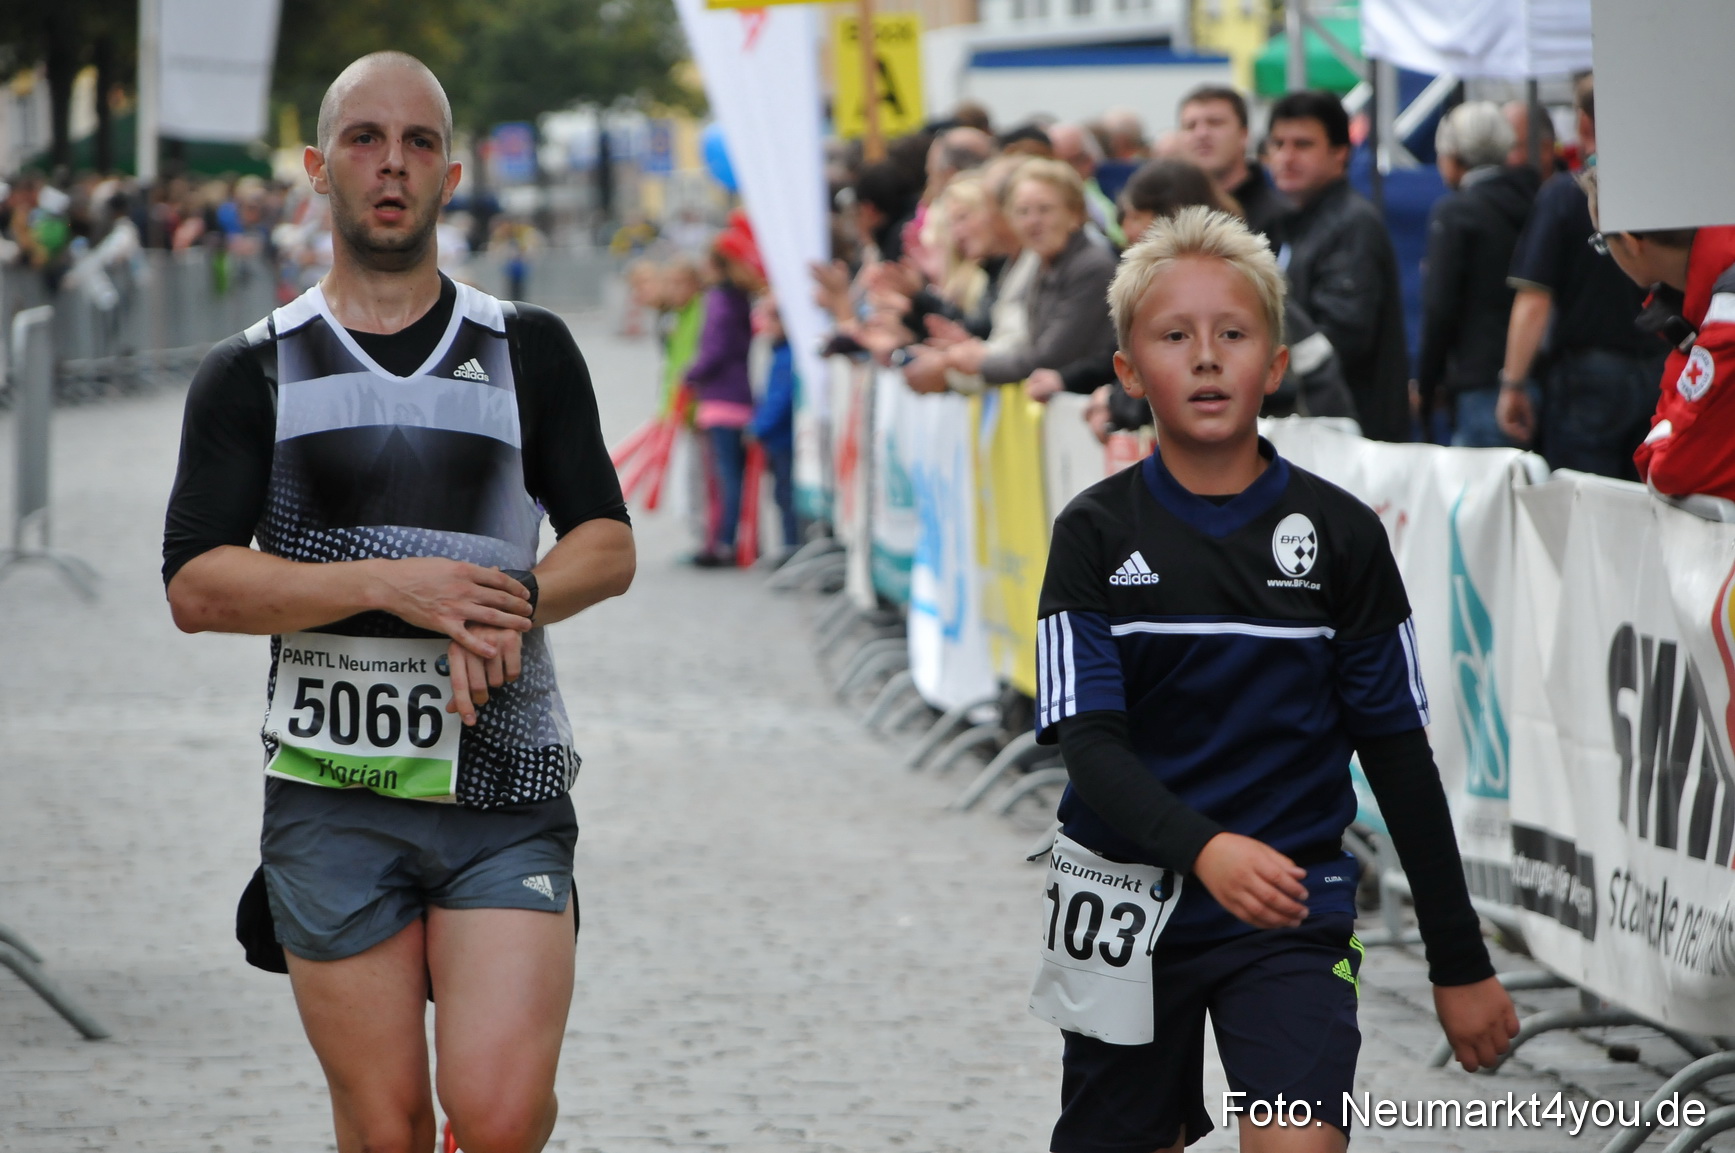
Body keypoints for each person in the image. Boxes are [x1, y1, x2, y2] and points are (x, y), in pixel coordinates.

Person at [161, 51, 636, 1153]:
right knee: (386, 1131)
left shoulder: (528, 349)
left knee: (502, 1114)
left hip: (504, 777)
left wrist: (503, 602)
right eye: (366, 141)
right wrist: (391, 587)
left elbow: (606, 546)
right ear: (318, 169)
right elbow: (196, 583)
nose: (392, 164)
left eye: (418, 143)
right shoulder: (254, 372)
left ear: (451, 173)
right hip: (333, 791)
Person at [1031, 205, 1518, 1153]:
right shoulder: (1090, 533)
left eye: (1233, 334)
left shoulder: (1341, 535)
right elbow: (1089, 746)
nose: (1206, 357)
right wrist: (1205, 847)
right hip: (1124, 903)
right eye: (1174, 337)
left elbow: (1397, 753)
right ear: (1129, 372)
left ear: (1277, 364)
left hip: (1292, 912)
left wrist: (1459, 962)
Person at [1496, 73, 1664, 479]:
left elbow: (1534, 300)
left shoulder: (1565, 194)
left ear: (1584, 124)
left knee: (1584, 504)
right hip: (1664, 368)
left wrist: (1513, 384)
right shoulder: (1664, 190)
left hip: (1590, 375)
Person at [1579, 170, 1735, 500]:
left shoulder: (1725, 311)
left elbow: (1671, 472)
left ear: (1631, 240)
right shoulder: (1694, 310)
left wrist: (1666, 439)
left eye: (1603, 242)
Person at [1268, 90, 1412, 442]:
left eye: (1302, 145)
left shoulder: (1352, 224)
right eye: (1277, 144)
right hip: (1322, 430)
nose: (1286, 157)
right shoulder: (1295, 224)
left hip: (1354, 434)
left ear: (1340, 153)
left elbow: (1342, 337)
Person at [937, 159, 1118, 402]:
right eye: (1023, 212)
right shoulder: (1045, 261)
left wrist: (981, 363)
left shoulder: (1091, 267)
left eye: (1044, 209)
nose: (1033, 222)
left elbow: (1051, 357)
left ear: (1075, 214)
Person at [1417, 102, 1535, 446]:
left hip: (1479, 384)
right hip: (1540, 378)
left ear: (1453, 156)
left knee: (1477, 497)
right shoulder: (1538, 203)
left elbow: (1440, 308)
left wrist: (1426, 386)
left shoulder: (1455, 214)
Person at [685, 215, 764, 567]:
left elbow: (714, 349)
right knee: (739, 476)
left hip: (718, 398)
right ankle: (744, 539)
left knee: (723, 477)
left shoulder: (718, 299)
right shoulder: (741, 298)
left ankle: (724, 542)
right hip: (741, 395)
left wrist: (692, 375)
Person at [1177, 84, 1291, 239]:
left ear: (1244, 135)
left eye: (1215, 122)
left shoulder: (1281, 217)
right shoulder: (1168, 213)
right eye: (1190, 126)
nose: (1201, 133)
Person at [750, 297, 802, 555]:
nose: (766, 325)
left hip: (785, 437)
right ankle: (788, 543)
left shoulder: (787, 355)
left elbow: (780, 398)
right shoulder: (777, 351)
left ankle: (792, 544)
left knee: (787, 493)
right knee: (782, 493)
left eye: (772, 318)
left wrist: (759, 427)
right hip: (779, 437)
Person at [1049, 121, 1125, 247]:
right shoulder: (1055, 197)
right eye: (1065, 163)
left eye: (1080, 159)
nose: (1073, 171)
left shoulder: (1114, 180)